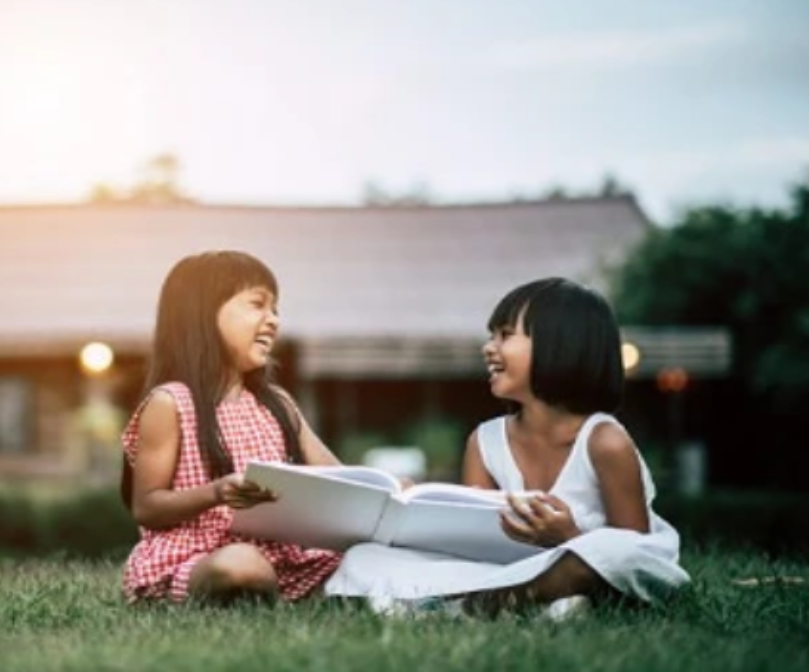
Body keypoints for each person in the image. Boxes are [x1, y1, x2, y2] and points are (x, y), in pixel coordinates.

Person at [325, 277, 690, 618]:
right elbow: (467, 537)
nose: (489, 348)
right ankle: (544, 603)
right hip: (511, 568)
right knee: (363, 558)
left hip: (585, 562)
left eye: (504, 335)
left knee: (612, 556)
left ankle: (479, 605)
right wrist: (413, 504)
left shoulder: (605, 440)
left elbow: (634, 550)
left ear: (558, 345)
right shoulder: (485, 440)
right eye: (491, 336)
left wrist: (567, 538)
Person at [120, 250, 342, 604]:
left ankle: (279, 591)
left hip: (285, 555)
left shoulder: (277, 403)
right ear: (203, 316)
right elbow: (147, 507)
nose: (273, 320)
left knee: (367, 555)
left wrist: (390, 491)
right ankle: (275, 592)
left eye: (276, 310)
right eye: (258, 304)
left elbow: (338, 477)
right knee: (241, 564)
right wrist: (216, 492)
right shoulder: (171, 403)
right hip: (197, 557)